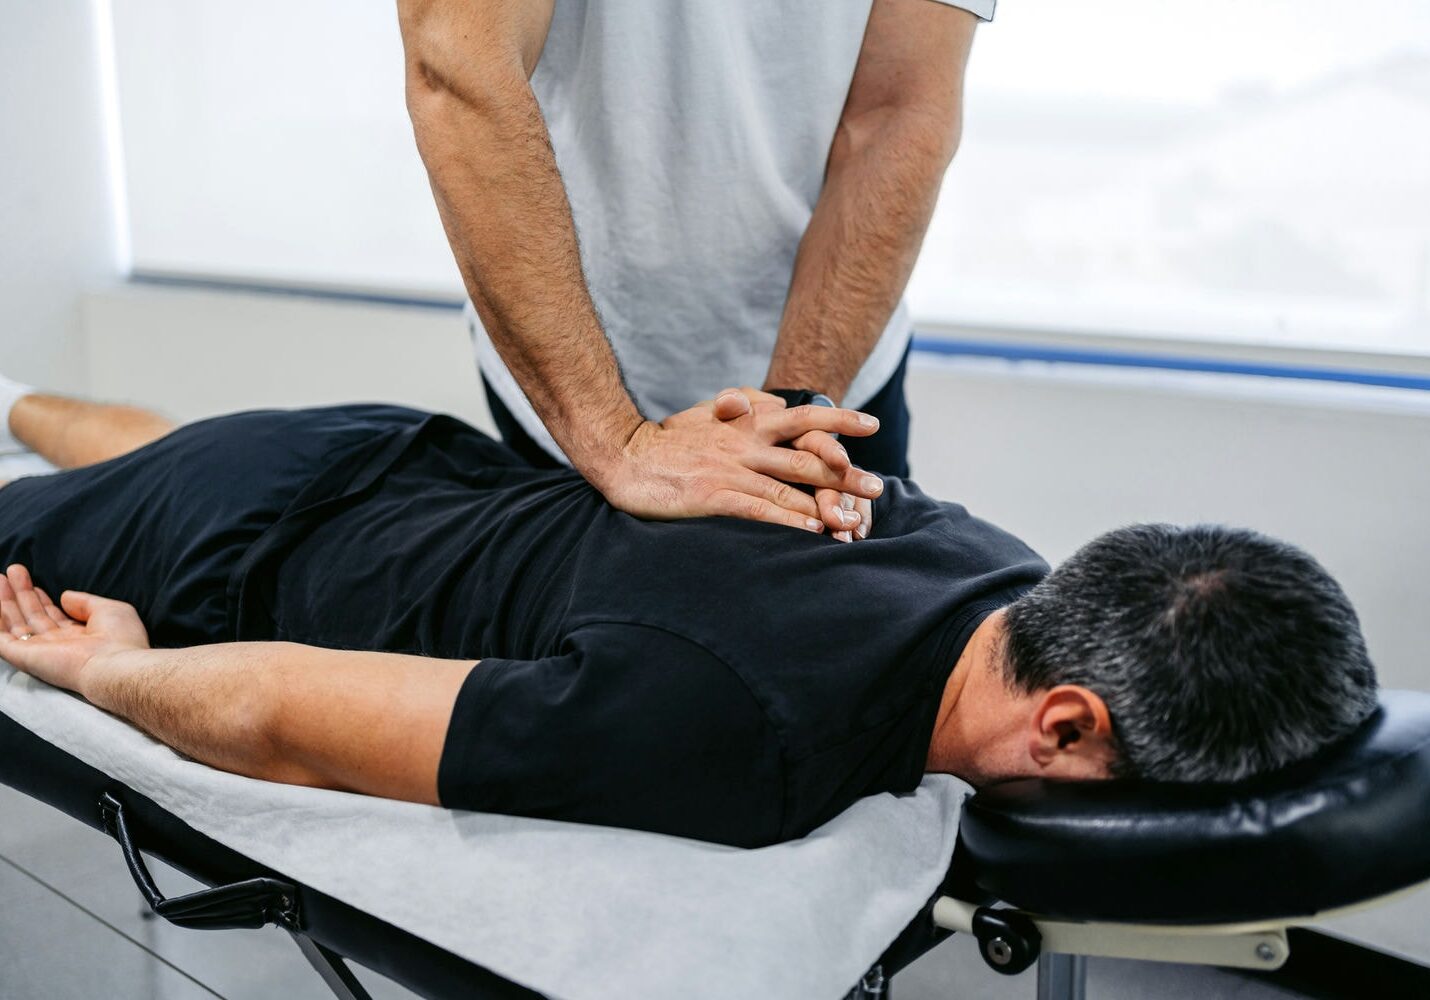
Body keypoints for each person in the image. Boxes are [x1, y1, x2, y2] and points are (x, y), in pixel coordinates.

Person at [0, 391, 1378, 847]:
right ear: (1066, 722)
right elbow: (280, 718)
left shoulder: (989, 562)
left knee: (132, 443)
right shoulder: (745, 732)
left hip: (378, 453)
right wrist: (113, 672)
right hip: (222, 559)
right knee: (98, 494)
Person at [397, 0, 989, 539]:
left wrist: (791, 414)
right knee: (610, 643)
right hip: (568, 377)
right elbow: (461, 68)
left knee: (853, 641)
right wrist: (615, 443)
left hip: (838, 366)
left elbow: (898, 109)